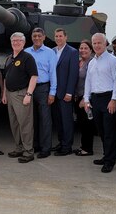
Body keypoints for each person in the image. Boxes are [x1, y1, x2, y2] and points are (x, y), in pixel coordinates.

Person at [84, 33, 116, 173]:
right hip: (95, 99)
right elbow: (88, 81)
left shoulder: (112, 60)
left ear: (105, 44)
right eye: (95, 43)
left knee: (110, 131)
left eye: (100, 43)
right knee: (101, 131)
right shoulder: (92, 62)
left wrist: (114, 99)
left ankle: (110, 161)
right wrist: (86, 99)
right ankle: (106, 156)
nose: (97, 45)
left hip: (108, 98)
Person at [2, 32, 38, 163]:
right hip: (10, 95)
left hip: (22, 94)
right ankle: (19, 148)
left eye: (19, 41)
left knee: (25, 124)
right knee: (14, 124)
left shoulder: (27, 58)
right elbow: (6, 77)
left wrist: (28, 94)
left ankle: (28, 152)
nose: (16, 43)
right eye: (14, 40)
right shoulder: (9, 58)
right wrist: (4, 94)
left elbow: (34, 76)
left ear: (23, 43)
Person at [24, 27, 57, 159]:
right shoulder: (26, 52)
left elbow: (53, 73)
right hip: (29, 89)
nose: (36, 38)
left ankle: (46, 148)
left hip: (44, 88)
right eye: (34, 36)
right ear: (31, 38)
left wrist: (52, 92)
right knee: (32, 119)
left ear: (44, 37)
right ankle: (35, 144)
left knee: (45, 120)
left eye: (39, 36)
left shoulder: (50, 52)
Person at [51, 28, 79, 156]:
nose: (58, 38)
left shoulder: (72, 52)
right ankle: (61, 142)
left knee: (66, 120)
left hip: (65, 93)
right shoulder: (52, 51)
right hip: (54, 92)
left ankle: (67, 146)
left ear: (66, 37)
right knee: (58, 120)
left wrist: (69, 92)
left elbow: (73, 74)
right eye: (56, 36)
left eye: (60, 36)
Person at [74, 39, 96, 156]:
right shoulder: (79, 62)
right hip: (78, 97)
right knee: (82, 123)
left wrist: (85, 99)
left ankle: (87, 149)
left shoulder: (92, 63)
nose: (83, 50)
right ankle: (84, 146)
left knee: (87, 123)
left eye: (85, 48)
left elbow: (93, 82)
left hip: (86, 98)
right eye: (81, 48)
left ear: (91, 50)